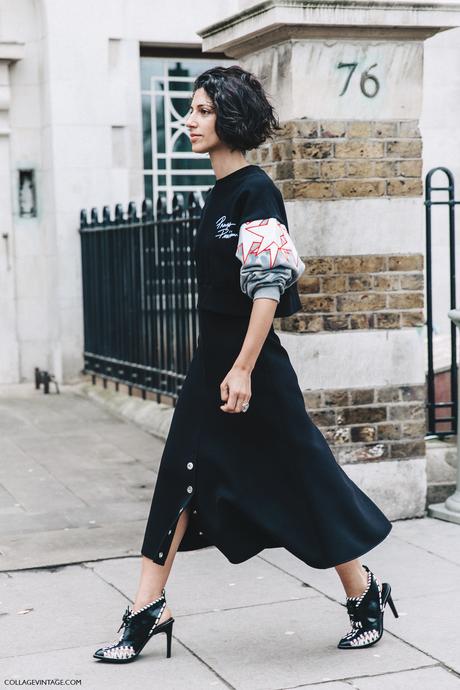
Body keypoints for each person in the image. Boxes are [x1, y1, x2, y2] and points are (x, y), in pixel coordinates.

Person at [93, 66, 398, 664]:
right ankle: (146, 608)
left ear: (230, 117)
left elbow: (268, 287)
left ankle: (363, 594)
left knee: (305, 478)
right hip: (213, 363)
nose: (190, 120)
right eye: (191, 109)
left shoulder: (257, 191)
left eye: (203, 110)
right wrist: (220, 366)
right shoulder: (214, 194)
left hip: (252, 366)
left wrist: (242, 368)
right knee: (176, 478)